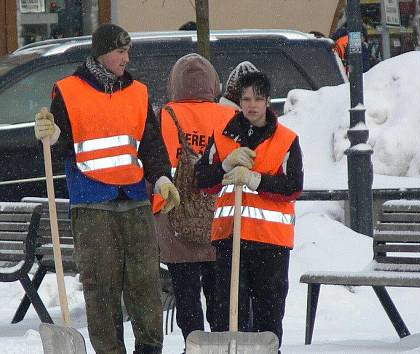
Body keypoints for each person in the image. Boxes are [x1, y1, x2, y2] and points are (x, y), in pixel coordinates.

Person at [33, 23, 180, 354]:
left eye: (128, 51)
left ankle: (149, 348)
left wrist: (161, 178)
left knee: (145, 285)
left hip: (135, 200)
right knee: (102, 288)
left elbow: (151, 144)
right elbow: (59, 145)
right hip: (92, 202)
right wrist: (52, 136)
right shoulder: (68, 91)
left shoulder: (138, 92)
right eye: (119, 51)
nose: (126, 58)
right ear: (101, 53)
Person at [195, 72, 303, 348]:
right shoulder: (222, 137)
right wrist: (225, 166)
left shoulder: (286, 140)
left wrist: (256, 180)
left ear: (268, 100)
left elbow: (293, 186)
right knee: (229, 315)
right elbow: (201, 180)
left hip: (271, 242)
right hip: (231, 240)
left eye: (257, 98)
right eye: (245, 98)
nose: (251, 104)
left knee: (269, 316)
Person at [152, 53, 235, 351]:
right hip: (218, 217)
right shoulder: (228, 116)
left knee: (186, 292)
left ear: (175, 83)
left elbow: (151, 164)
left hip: (174, 218)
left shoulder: (163, 116)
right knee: (219, 291)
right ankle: (220, 341)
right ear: (212, 83)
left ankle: (194, 343)